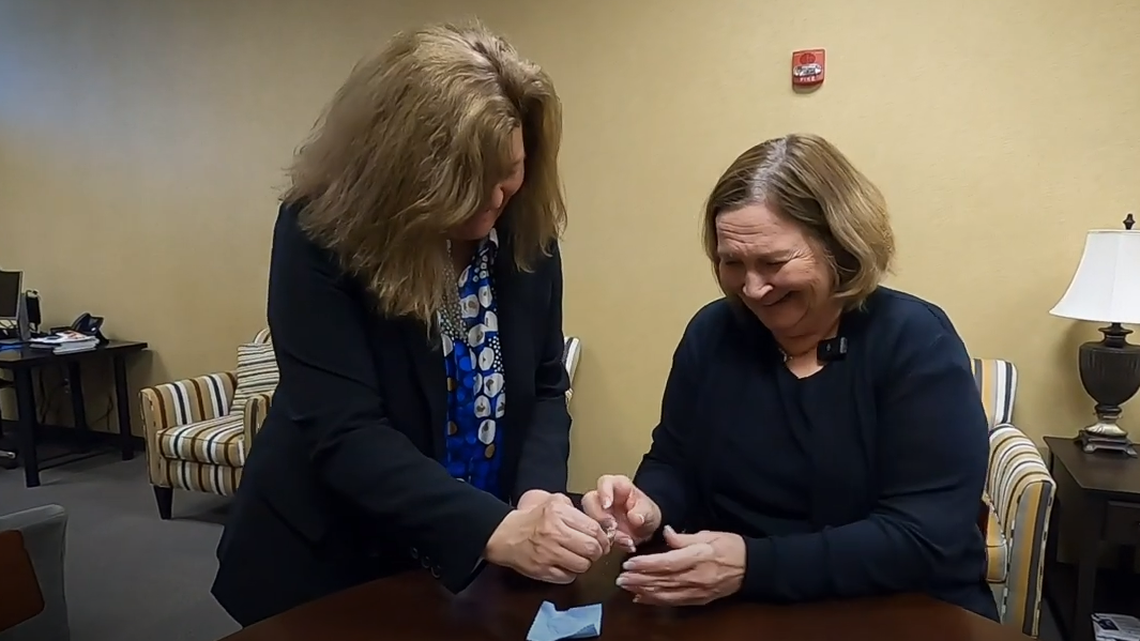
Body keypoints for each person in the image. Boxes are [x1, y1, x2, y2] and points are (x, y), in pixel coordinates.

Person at [211, 22, 610, 627]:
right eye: (471, 180)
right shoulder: (320, 233)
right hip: (330, 558)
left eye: (512, 170)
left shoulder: (527, 236)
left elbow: (548, 386)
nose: (499, 196)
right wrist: (491, 526)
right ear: (402, 173)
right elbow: (345, 432)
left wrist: (535, 497)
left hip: (472, 563)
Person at [582, 133, 997, 620]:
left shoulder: (915, 341)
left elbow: (926, 538)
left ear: (841, 247)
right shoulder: (712, 332)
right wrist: (647, 507)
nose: (753, 289)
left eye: (774, 263)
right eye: (731, 263)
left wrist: (751, 565)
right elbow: (675, 461)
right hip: (734, 609)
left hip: (900, 612)